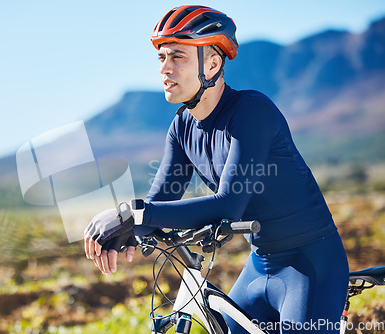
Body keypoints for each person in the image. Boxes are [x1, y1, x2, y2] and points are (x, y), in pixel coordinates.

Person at [84, 5, 349, 334]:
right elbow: (160, 201)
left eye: (177, 57)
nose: (165, 69)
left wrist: (131, 214)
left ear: (211, 63)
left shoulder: (251, 111)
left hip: (310, 265)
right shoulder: (181, 127)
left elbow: (228, 204)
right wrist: (125, 234)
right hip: (259, 266)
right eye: (161, 58)